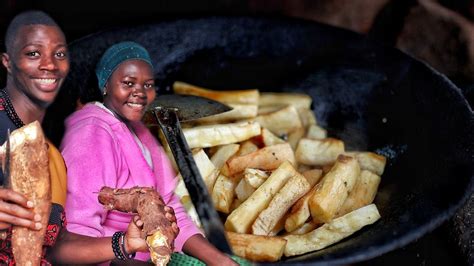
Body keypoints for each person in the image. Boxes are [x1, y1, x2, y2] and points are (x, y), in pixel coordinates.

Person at [0, 10, 157, 265]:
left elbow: (58, 247)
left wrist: (124, 243)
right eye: (33, 53)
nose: (49, 64)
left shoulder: (51, 155)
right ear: (8, 61)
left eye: (59, 54)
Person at [60, 41, 237, 265]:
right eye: (128, 83)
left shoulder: (140, 131)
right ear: (105, 85)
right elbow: (76, 238)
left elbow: (172, 211)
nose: (140, 93)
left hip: (158, 257)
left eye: (148, 85)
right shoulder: (91, 133)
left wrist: (219, 260)